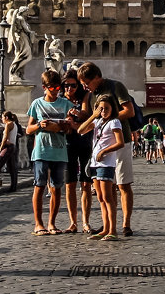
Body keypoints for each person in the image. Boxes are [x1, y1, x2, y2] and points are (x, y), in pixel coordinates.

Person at [77, 61, 137, 237]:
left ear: (97, 77)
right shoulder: (91, 95)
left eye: (86, 83)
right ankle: (108, 227)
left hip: (121, 141)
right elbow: (89, 119)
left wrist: (108, 117)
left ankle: (125, 224)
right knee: (106, 189)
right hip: (101, 145)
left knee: (123, 183)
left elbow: (129, 111)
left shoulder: (115, 87)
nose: (85, 86)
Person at [26, 68, 72, 235]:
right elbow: (28, 130)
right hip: (41, 151)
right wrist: (39, 125)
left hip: (60, 152)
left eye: (57, 87)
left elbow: (73, 128)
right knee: (39, 186)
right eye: (51, 88)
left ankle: (52, 223)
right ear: (44, 87)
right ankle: (38, 224)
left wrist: (66, 125)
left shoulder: (66, 104)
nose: (55, 91)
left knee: (56, 188)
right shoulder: (36, 104)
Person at [83, 95, 125, 241]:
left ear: (112, 108)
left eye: (106, 108)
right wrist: (93, 116)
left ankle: (113, 230)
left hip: (106, 163)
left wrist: (104, 151)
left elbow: (120, 143)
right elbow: (80, 130)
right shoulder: (97, 121)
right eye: (101, 108)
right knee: (100, 197)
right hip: (95, 163)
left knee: (108, 197)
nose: (104, 111)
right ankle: (105, 228)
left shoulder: (115, 122)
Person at [62, 69, 94, 234]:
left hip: (85, 143)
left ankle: (86, 222)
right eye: (66, 86)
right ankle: (73, 222)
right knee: (70, 184)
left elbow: (87, 116)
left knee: (86, 184)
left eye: (73, 86)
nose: (69, 89)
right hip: (67, 144)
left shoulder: (86, 96)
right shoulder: (61, 100)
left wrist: (75, 115)